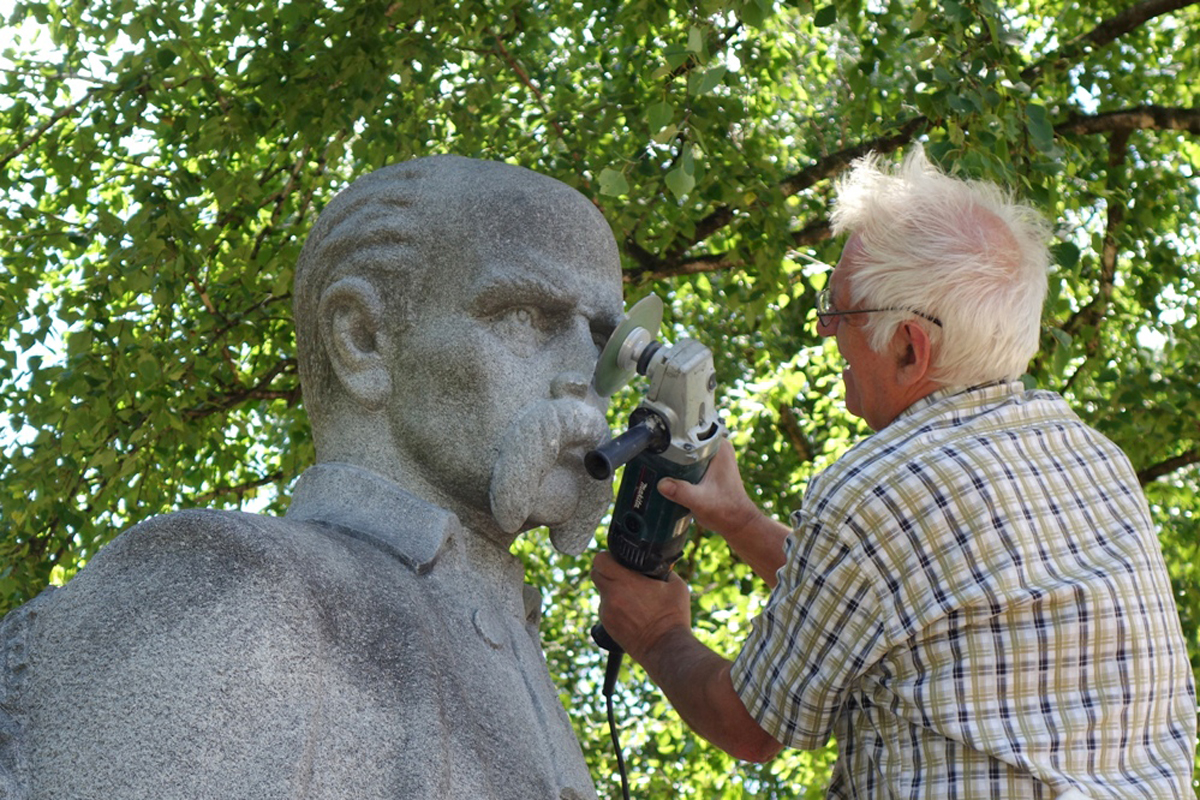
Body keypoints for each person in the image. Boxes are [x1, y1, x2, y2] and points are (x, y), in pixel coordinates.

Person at [0, 156, 623, 800]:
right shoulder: (231, 580)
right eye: (524, 318)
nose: (584, 375)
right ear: (363, 339)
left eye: (604, 339)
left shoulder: (517, 653)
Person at [592, 149, 1197, 799]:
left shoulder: (875, 491)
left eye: (839, 309)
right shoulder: (1093, 457)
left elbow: (750, 728)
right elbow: (905, 604)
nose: (825, 328)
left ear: (911, 346)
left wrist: (656, 633)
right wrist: (740, 520)